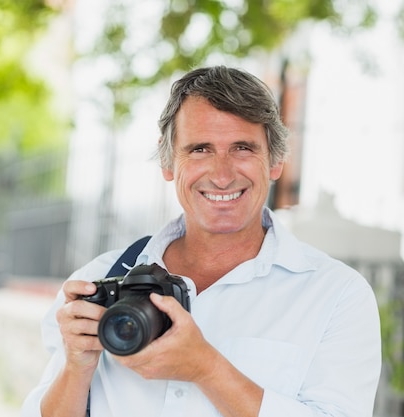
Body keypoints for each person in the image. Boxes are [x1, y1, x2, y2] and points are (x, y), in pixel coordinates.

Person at [22, 66, 381, 417]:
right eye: (199, 149)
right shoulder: (101, 278)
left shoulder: (337, 296)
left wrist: (206, 369)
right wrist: (76, 367)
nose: (222, 175)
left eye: (242, 148)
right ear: (168, 162)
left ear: (275, 161)